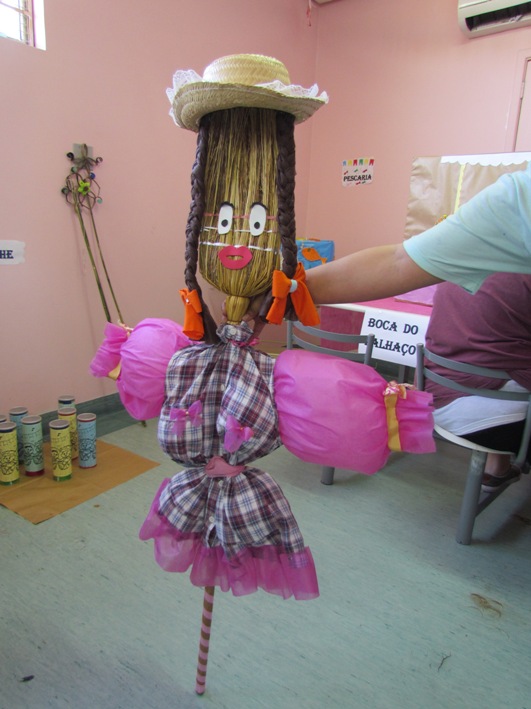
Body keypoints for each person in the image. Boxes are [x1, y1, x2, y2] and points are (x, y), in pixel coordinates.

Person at [423, 272, 531, 491]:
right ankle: (496, 465)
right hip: (496, 423)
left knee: (496, 360)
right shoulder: (523, 273)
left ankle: (496, 468)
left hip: (437, 399)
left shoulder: (454, 268)